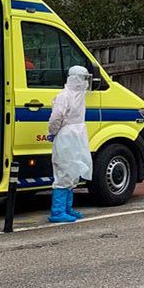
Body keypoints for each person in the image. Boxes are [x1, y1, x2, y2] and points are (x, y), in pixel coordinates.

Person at [48, 65, 94, 223]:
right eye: (83, 78)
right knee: (64, 171)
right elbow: (56, 117)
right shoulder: (64, 96)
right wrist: (53, 132)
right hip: (67, 136)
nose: (85, 82)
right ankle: (58, 211)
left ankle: (67, 209)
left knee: (73, 171)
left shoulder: (78, 95)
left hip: (76, 136)